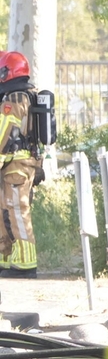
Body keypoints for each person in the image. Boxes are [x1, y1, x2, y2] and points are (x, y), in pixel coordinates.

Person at [0, 51, 42, 278]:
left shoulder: (16, 97)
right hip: (12, 163)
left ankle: (26, 264)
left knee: (17, 210)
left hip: (17, 165)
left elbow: (4, 129)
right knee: (4, 211)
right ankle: (6, 258)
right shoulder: (22, 94)